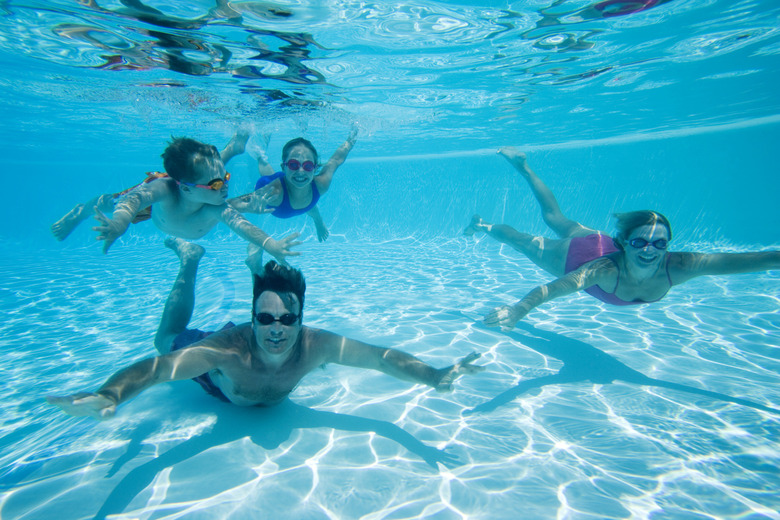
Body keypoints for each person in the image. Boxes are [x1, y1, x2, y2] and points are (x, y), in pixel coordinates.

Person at [47, 239, 483, 419]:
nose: (277, 329)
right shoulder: (226, 353)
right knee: (165, 338)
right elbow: (159, 368)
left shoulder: (316, 346)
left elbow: (380, 358)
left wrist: (433, 375)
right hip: (219, 384)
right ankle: (189, 261)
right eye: (266, 318)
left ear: (301, 319)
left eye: (287, 319)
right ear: (253, 318)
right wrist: (112, 394)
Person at [464, 147, 780, 330]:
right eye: (641, 242)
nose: (650, 251)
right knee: (522, 240)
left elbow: (758, 260)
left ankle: (524, 167)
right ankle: (484, 224)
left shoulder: (682, 265)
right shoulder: (602, 270)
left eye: (659, 243)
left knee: (555, 218)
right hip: (578, 254)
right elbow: (551, 290)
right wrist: (520, 309)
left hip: (598, 240)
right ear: (624, 242)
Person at [52, 134, 301, 265]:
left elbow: (239, 224)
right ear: (184, 187)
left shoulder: (214, 199)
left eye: (226, 178)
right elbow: (133, 200)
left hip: (198, 198)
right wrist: (119, 223)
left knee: (215, 190)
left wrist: (271, 245)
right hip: (161, 209)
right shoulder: (166, 189)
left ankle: (233, 147)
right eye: (219, 183)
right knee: (111, 201)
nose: (225, 185)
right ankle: (81, 211)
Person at [231, 129, 358, 242]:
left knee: (310, 204)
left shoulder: (320, 184)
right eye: (293, 164)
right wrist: (248, 206)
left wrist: (352, 138)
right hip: (278, 197)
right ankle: (259, 155)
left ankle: (318, 221)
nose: (301, 171)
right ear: (284, 167)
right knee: (266, 170)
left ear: (314, 168)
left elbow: (336, 160)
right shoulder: (272, 192)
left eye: (307, 166)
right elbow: (231, 203)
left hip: (297, 190)